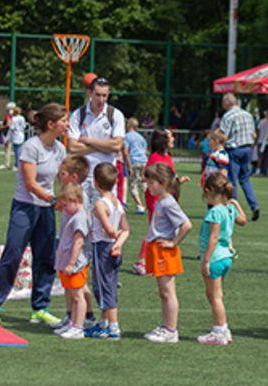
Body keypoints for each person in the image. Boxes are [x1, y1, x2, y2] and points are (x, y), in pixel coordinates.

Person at [0, 103, 67, 325]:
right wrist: (53, 199)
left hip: (46, 209)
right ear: (51, 124)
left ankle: (40, 307)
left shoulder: (60, 149)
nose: (67, 125)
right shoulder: (32, 147)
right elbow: (30, 183)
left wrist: (68, 195)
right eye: (63, 121)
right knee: (13, 253)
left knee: (46, 257)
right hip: (25, 207)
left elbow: (62, 179)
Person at [143, 162, 193, 343]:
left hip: (164, 251)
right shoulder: (162, 201)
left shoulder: (168, 202)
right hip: (158, 249)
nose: (148, 187)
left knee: (168, 292)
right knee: (163, 292)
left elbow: (186, 225)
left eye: (151, 183)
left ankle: (171, 330)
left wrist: (174, 243)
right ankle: (166, 326)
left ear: (162, 182)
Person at [197, 173, 246, 345]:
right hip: (226, 257)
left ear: (209, 191)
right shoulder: (228, 209)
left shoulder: (215, 212)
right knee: (214, 294)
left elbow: (213, 237)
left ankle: (219, 331)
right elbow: (243, 220)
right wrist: (236, 204)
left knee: (216, 297)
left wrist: (206, 261)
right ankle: (223, 329)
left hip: (216, 258)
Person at [134, 128, 190, 276]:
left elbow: (168, 177)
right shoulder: (155, 157)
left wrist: (178, 181)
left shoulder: (167, 157)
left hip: (167, 199)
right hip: (156, 199)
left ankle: (151, 261)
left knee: (162, 230)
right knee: (153, 230)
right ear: (163, 140)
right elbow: (147, 176)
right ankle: (142, 261)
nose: (173, 139)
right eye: (170, 137)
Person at [67, 77, 125, 208]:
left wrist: (88, 140)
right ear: (89, 93)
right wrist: (106, 146)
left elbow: (117, 145)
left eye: (105, 95)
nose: (101, 100)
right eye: (98, 95)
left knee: (104, 223)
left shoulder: (115, 115)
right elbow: (73, 147)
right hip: (82, 178)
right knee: (82, 223)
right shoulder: (78, 115)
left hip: (106, 178)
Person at [87, 163, 129, 340]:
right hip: (113, 247)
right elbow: (126, 228)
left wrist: (114, 235)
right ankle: (104, 323)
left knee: (104, 288)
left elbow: (108, 229)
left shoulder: (99, 204)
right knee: (108, 285)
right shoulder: (117, 203)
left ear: (96, 183)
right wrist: (119, 243)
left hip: (103, 247)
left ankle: (113, 327)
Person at [52, 182, 90, 340]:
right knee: (70, 293)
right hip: (67, 260)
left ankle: (78, 326)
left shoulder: (80, 218)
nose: (64, 209)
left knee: (77, 295)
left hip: (76, 264)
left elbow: (78, 242)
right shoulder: (73, 215)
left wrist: (71, 263)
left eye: (66, 205)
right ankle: (72, 322)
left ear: (75, 200)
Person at [219, 93, 260, 220]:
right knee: (245, 179)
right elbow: (254, 135)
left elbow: (223, 136)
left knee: (232, 180)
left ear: (227, 103)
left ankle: (233, 208)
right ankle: (254, 205)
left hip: (234, 149)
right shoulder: (248, 115)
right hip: (246, 149)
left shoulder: (228, 116)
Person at [123, 117, 148, 213]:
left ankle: (140, 205)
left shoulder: (127, 136)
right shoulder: (141, 137)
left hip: (134, 161)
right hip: (144, 161)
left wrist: (129, 166)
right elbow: (145, 150)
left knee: (133, 185)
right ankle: (152, 202)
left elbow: (126, 152)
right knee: (144, 184)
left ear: (128, 125)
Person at [0, 101, 15, 169]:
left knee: (7, 149)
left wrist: (2, 127)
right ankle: (13, 163)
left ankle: (6, 163)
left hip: (8, 134)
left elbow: (8, 124)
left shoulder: (8, 116)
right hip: (14, 134)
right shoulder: (15, 117)